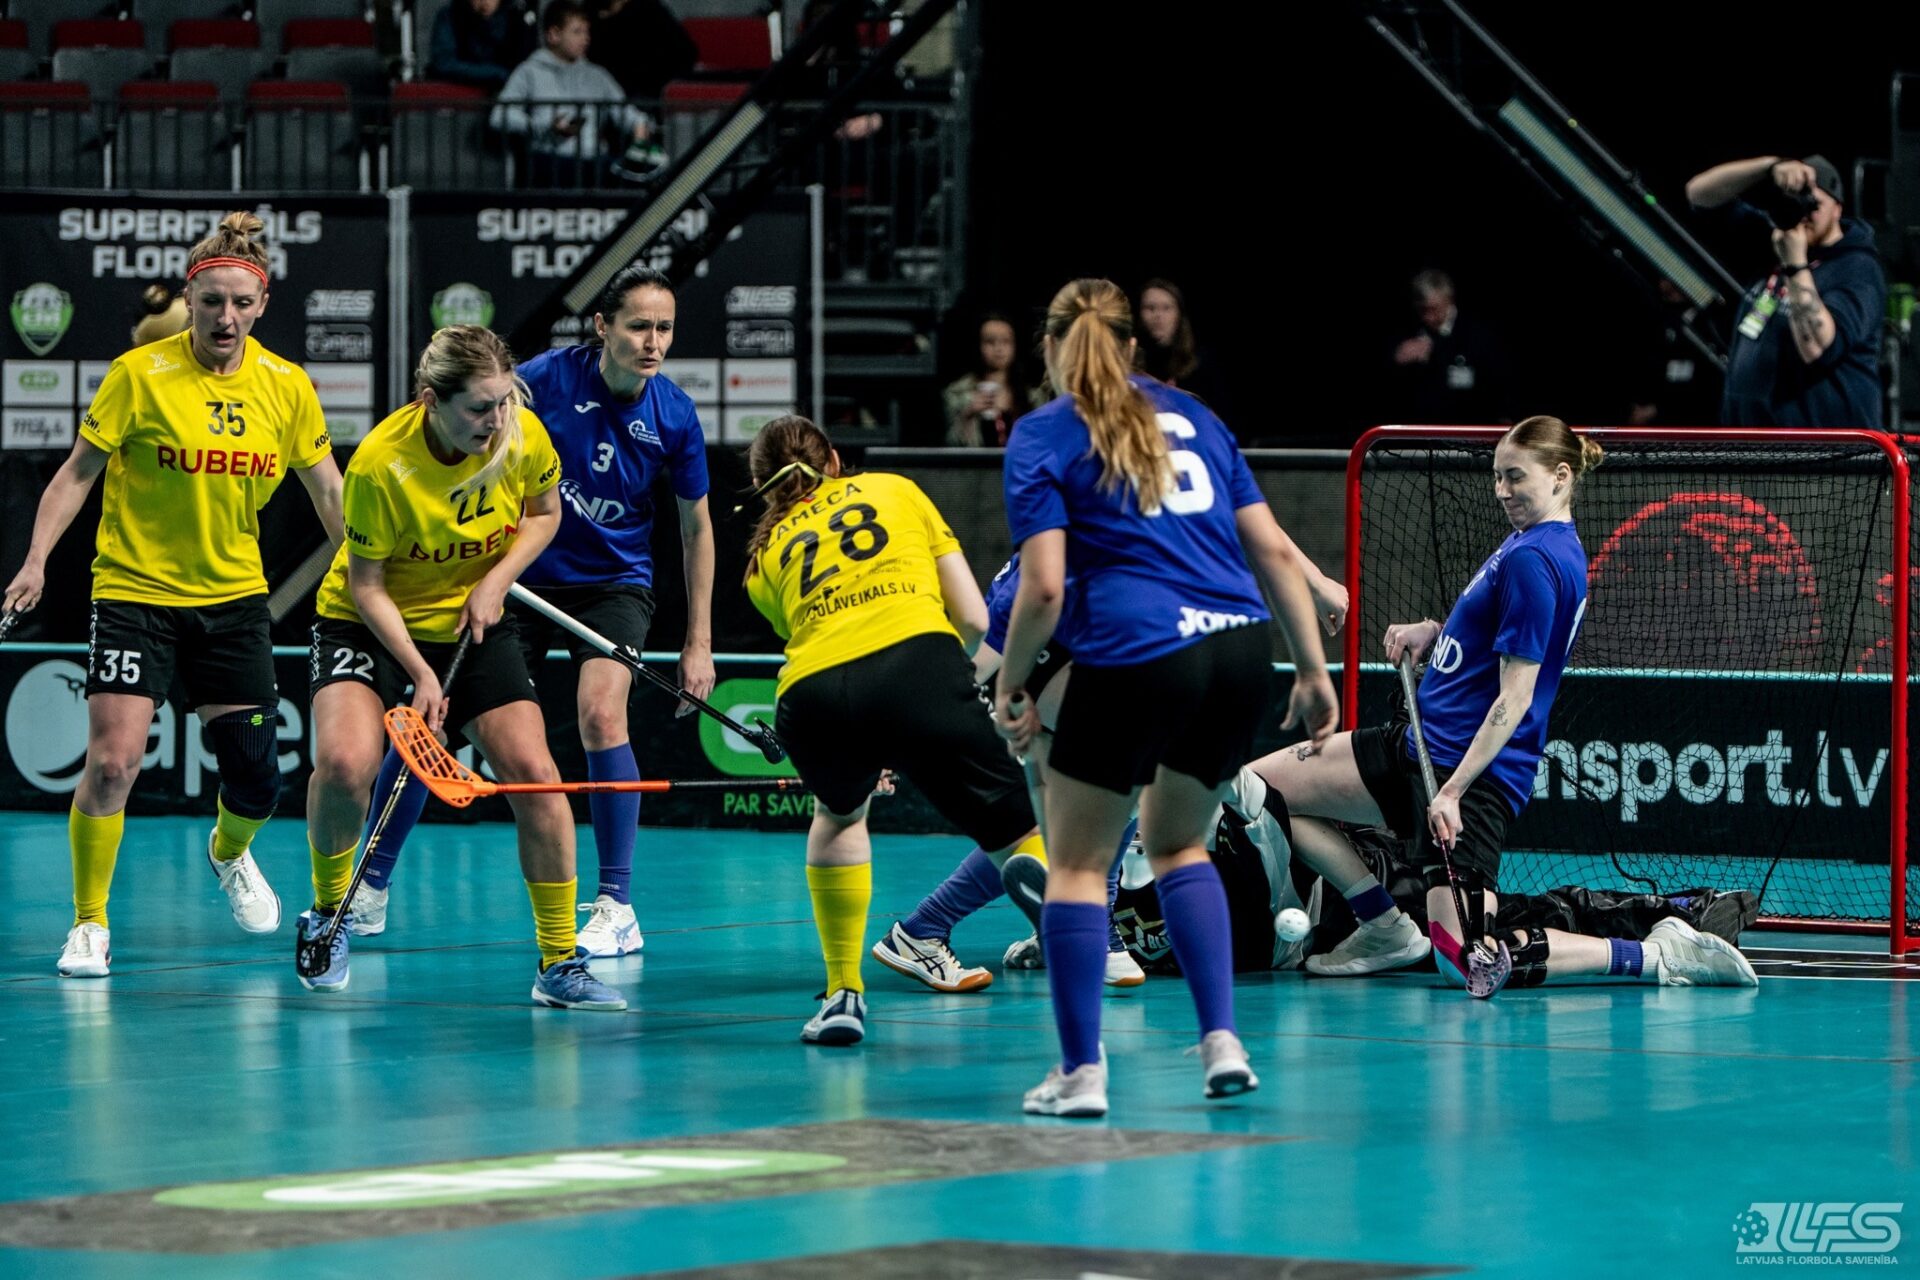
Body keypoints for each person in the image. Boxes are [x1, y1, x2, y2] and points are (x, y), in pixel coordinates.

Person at [1248, 415, 1758, 991]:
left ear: (1560, 476)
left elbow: (1515, 698)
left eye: (1515, 477)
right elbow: (1492, 640)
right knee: (1261, 792)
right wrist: (1434, 633)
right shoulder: (1528, 542)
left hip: (1466, 774)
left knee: (1464, 960)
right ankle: (1383, 924)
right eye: (1497, 477)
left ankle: (1654, 954)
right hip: (1415, 744)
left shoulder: (1535, 559)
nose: (1501, 490)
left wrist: (1452, 792)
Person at [994, 277, 1339, 1118]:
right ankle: (1222, 1042)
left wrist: (1011, 681)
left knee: (1078, 866)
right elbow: (1274, 553)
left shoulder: (1044, 431)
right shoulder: (1196, 416)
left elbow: (1044, 588)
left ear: (1050, 347)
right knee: (1180, 846)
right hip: (1236, 653)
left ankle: (1080, 1073)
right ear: (1131, 345)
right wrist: (1312, 668)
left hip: (1138, 653)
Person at [2, 212, 344, 979]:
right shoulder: (138, 375)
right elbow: (76, 475)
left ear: (262, 305)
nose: (226, 317)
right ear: (190, 300)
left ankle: (228, 851)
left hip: (234, 601)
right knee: (113, 763)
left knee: (256, 779)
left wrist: (366, 567)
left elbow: (328, 491)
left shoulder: (287, 388)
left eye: (241, 303)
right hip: (135, 592)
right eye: (212, 301)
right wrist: (36, 561)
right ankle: (89, 923)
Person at [353, 265, 713, 956]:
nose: (653, 342)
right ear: (602, 327)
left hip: (613, 583)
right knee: (436, 718)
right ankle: (370, 885)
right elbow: (461, 432)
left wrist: (698, 640)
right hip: (515, 577)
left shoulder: (674, 414)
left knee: (601, 713)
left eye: (665, 328)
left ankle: (616, 904)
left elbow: (696, 528)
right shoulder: (542, 381)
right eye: (639, 326)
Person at [298, 324, 623, 1011]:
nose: (496, 420)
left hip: (472, 622)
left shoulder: (520, 434)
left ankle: (559, 960)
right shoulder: (381, 464)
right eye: (479, 407)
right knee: (346, 764)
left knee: (537, 778)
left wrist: (496, 581)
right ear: (431, 401)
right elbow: (366, 584)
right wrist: (419, 671)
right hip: (368, 623)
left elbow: (544, 514)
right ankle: (328, 913)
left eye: (504, 402)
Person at [741, 414, 1040, 1047]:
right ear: (833, 459)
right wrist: (942, 696)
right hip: (917, 661)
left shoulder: (760, 562)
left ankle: (842, 993)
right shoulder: (895, 489)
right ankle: (1072, 934)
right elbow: (973, 617)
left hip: (811, 695)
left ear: (764, 486)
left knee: (839, 817)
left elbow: (820, 636)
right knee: (1020, 830)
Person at [1684, 154, 1887, 428]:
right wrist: (1769, 166)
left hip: (1821, 449)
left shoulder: (1857, 266)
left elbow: (1818, 348)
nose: (1804, 215)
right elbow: (1699, 194)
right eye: (1797, 202)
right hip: (1755, 445)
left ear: (1837, 208)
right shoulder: (1775, 240)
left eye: (1813, 204)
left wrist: (1794, 265)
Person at [492, 0, 658, 187]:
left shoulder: (597, 75)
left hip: (593, 160)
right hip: (548, 160)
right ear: (554, 34)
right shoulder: (528, 71)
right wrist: (544, 126)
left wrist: (639, 124)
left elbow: (626, 112)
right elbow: (499, 116)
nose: (585, 39)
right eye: (577, 32)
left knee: (633, 173)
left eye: (587, 32)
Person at [1388, 270, 1516, 425]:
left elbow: (1499, 383)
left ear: (1449, 300)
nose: (1428, 317)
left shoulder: (1477, 334)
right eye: (1422, 310)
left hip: (1468, 425)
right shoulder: (1406, 331)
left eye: (1434, 309)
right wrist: (1397, 359)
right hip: (1420, 428)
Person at [1134, 279, 1233, 428]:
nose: (1158, 315)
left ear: (1179, 314)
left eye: (1166, 308)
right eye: (1150, 308)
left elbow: (1219, 418)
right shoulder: (1130, 362)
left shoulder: (1200, 363)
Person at [943, 313, 1041, 447]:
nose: (998, 348)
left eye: (1006, 341)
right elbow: (950, 445)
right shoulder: (957, 393)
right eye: (990, 342)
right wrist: (969, 414)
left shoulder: (1032, 396)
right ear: (978, 345)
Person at [591, 0, 695, 100]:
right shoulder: (592, 11)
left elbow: (685, 52)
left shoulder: (650, 9)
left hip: (644, 92)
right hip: (599, 89)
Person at [427, 0, 538, 93]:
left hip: (506, 93)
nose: (485, 2)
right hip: (458, 93)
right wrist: (496, 74)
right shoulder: (450, 15)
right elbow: (444, 63)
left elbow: (527, 66)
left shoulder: (516, 16)